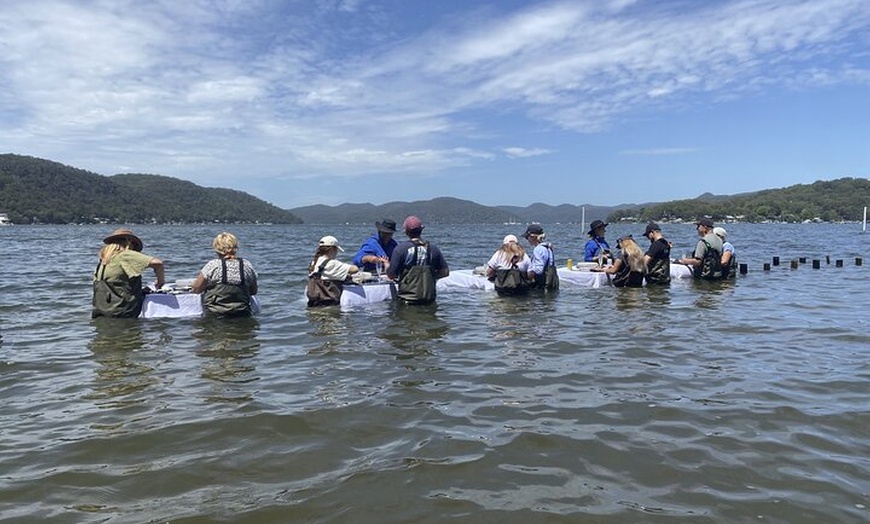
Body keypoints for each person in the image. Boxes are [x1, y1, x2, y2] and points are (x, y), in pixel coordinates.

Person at [92, 228, 165, 318]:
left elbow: (114, 287)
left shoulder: (103, 262)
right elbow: (158, 263)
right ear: (128, 242)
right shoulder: (125, 255)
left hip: (100, 312)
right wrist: (160, 281)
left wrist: (139, 291)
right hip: (122, 313)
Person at [191, 232, 258, 317]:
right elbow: (253, 291)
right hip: (242, 313)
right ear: (235, 247)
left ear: (217, 248)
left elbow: (197, 289)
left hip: (215, 315)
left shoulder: (213, 265)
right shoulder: (247, 265)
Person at [387, 216, 449, 304]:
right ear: (421, 230)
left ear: (406, 232)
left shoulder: (400, 249)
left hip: (407, 300)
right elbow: (445, 272)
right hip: (429, 300)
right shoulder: (434, 249)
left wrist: (386, 265)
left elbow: (391, 275)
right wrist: (429, 277)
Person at [307, 235, 359, 307]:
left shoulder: (314, 262)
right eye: (337, 250)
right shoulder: (332, 263)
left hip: (313, 304)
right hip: (328, 305)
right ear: (332, 250)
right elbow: (355, 269)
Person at [523, 224, 559, 290]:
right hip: (551, 283)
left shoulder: (538, 249)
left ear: (532, 237)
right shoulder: (548, 248)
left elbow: (539, 270)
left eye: (527, 237)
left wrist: (527, 273)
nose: (527, 240)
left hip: (542, 285)